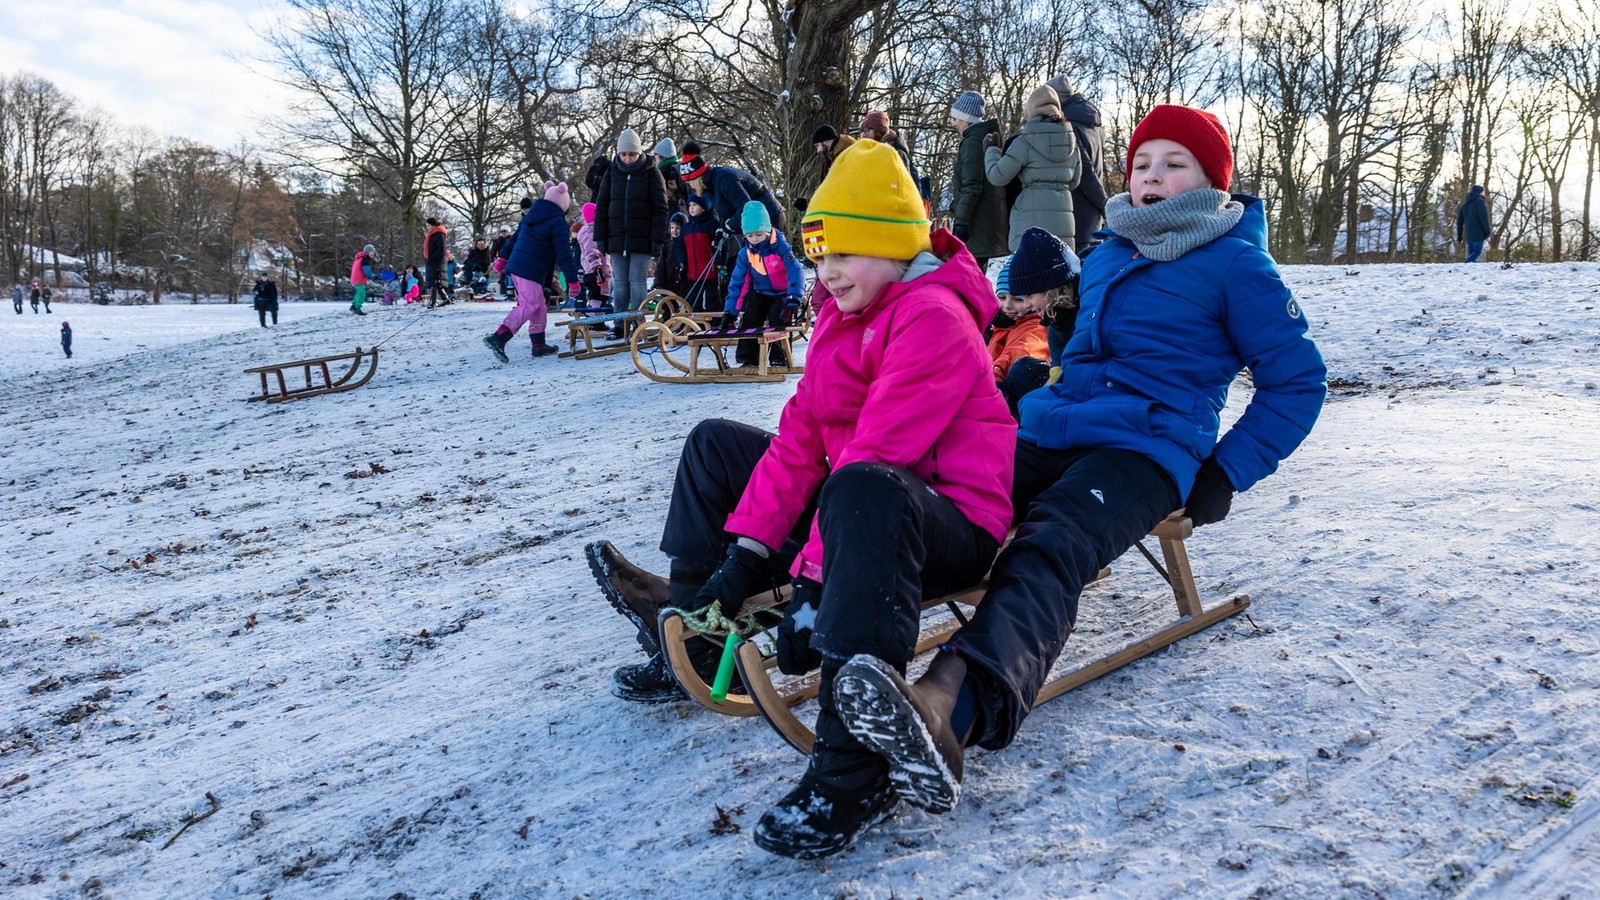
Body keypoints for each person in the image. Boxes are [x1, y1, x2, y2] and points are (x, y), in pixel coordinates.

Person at [825, 106, 1328, 841]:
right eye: (1143, 162)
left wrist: (1225, 470)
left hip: (1146, 451)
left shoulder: (1235, 261)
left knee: (1051, 542)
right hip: (1055, 426)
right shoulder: (1111, 247)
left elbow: (1298, 380)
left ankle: (953, 704)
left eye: (1174, 164)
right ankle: (844, 619)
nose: (1153, 176)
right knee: (952, 499)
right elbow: (1078, 350)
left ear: (1213, 182)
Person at [585, 139, 1014, 859]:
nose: (826, 273)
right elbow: (797, 447)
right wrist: (745, 564)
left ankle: (853, 769)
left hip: (942, 521)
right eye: (818, 257)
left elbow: (881, 454)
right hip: (859, 504)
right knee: (716, 443)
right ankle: (693, 624)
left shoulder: (934, 317)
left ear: (893, 246)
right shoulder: (845, 320)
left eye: (844, 254)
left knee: (861, 487)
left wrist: (813, 588)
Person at [484, 181, 581, 362]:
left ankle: (539, 344)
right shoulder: (558, 222)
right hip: (529, 269)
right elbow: (564, 254)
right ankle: (499, 337)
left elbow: (512, 240)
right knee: (529, 305)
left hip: (520, 268)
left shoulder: (530, 217)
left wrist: (502, 260)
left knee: (538, 305)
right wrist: (572, 281)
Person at [984, 84, 1080, 251]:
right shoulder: (1071, 142)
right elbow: (1074, 181)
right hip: (1064, 224)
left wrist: (991, 150)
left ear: (1031, 110)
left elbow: (997, 176)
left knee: (1028, 272)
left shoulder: (1025, 140)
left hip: (1029, 224)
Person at [996, 228, 1079, 418]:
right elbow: (1056, 375)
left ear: (1050, 288)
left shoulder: (1083, 316)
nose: (1026, 305)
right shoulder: (1055, 322)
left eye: (1028, 296)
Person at [594, 128, 669, 318]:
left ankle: (638, 321)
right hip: (617, 237)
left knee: (637, 280)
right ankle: (619, 322)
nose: (628, 158)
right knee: (619, 282)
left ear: (639, 152)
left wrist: (657, 238)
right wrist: (600, 236)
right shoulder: (611, 173)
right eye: (624, 154)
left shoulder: (652, 173)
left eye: (632, 154)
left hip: (642, 238)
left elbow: (661, 208)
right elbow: (601, 206)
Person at [722, 201, 805, 368]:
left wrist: (794, 297)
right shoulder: (745, 254)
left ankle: (779, 356)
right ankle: (748, 358)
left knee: (778, 316)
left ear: (767, 230)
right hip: (762, 293)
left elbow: (795, 271)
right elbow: (738, 284)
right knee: (751, 316)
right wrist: (730, 312)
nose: (755, 240)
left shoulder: (780, 247)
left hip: (783, 293)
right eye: (750, 236)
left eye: (759, 234)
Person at [948, 91, 1009, 273]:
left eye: (956, 119)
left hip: (978, 223)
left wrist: (961, 221)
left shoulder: (973, 142)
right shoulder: (988, 138)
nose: (954, 123)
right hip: (990, 222)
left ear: (966, 119)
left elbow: (972, 185)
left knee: (971, 278)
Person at [1047, 75, 1108, 251]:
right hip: (1092, 218)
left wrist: (1105, 205)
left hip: (1077, 218)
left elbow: (1085, 172)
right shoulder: (1093, 125)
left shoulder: (1070, 126)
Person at [986, 254, 1049, 419]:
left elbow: (1021, 350)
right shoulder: (1000, 325)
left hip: (1015, 397)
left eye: (1016, 299)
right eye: (1002, 297)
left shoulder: (1035, 325)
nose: (1007, 305)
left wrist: (994, 377)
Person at [677, 141, 786, 236]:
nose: (689, 185)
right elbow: (725, 212)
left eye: (689, 181)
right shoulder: (708, 188)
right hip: (752, 225)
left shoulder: (724, 179)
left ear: (697, 177)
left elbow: (746, 207)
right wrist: (721, 229)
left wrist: (729, 227)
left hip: (769, 217)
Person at [858, 111, 922, 199]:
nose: (864, 134)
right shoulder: (866, 151)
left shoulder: (896, 152)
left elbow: (901, 186)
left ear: (879, 131)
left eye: (869, 130)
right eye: (863, 130)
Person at [680, 194, 721, 311]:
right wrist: (682, 262)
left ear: (703, 207)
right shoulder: (686, 228)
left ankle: (715, 323)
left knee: (711, 298)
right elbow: (680, 247)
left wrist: (718, 262)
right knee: (693, 300)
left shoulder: (711, 224)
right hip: (692, 271)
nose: (691, 208)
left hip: (709, 270)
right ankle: (696, 323)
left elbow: (718, 245)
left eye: (695, 205)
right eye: (690, 205)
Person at [576, 202, 610, 311]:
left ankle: (597, 317)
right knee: (597, 296)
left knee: (600, 295)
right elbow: (591, 251)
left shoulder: (591, 230)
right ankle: (594, 316)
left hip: (596, 270)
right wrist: (596, 267)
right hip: (595, 271)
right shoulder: (591, 232)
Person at [654, 212, 690, 298]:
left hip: (683, 282)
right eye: (672, 228)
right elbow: (660, 266)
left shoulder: (686, 245)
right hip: (668, 282)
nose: (674, 230)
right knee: (668, 305)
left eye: (677, 228)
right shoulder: (667, 245)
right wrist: (658, 283)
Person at [1456, 185, 1490, 263]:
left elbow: (1460, 222)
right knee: (1477, 252)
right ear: (1480, 192)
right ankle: (1464, 266)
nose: (1484, 193)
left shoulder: (1465, 205)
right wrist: (1487, 231)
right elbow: (1483, 217)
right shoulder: (1480, 202)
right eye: (1483, 192)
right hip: (1478, 232)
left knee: (1472, 254)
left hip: (1468, 232)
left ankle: (1467, 272)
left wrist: (1459, 235)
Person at [423, 217, 449, 308]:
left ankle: (433, 302)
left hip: (436, 261)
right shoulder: (432, 235)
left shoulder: (438, 234)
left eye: (428, 225)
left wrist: (432, 257)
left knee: (435, 281)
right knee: (436, 282)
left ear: (433, 225)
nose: (427, 227)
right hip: (432, 261)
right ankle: (445, 299)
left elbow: (441, 249)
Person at [350, 244, 377, 316]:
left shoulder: (359, 258)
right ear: (368, 252)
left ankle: (353, 306)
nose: (373, 253)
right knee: (362, 294)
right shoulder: (364, 259)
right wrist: (374, 276)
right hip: (359, 279)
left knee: (358, 293)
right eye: (372, 252)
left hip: (355, 279)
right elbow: (367, 272)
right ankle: (357, 308)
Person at [490, 226, 515, 296]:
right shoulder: (498, 241)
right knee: (502, 277)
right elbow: (492, 252)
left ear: (509, 232)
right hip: (501, 260)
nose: (503, 233)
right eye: (502, 231)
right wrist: (492, 261)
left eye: (505, 231)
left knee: (510, 277)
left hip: (511, 260)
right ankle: (503, 292)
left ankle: (511, 293)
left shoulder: (513, 240)